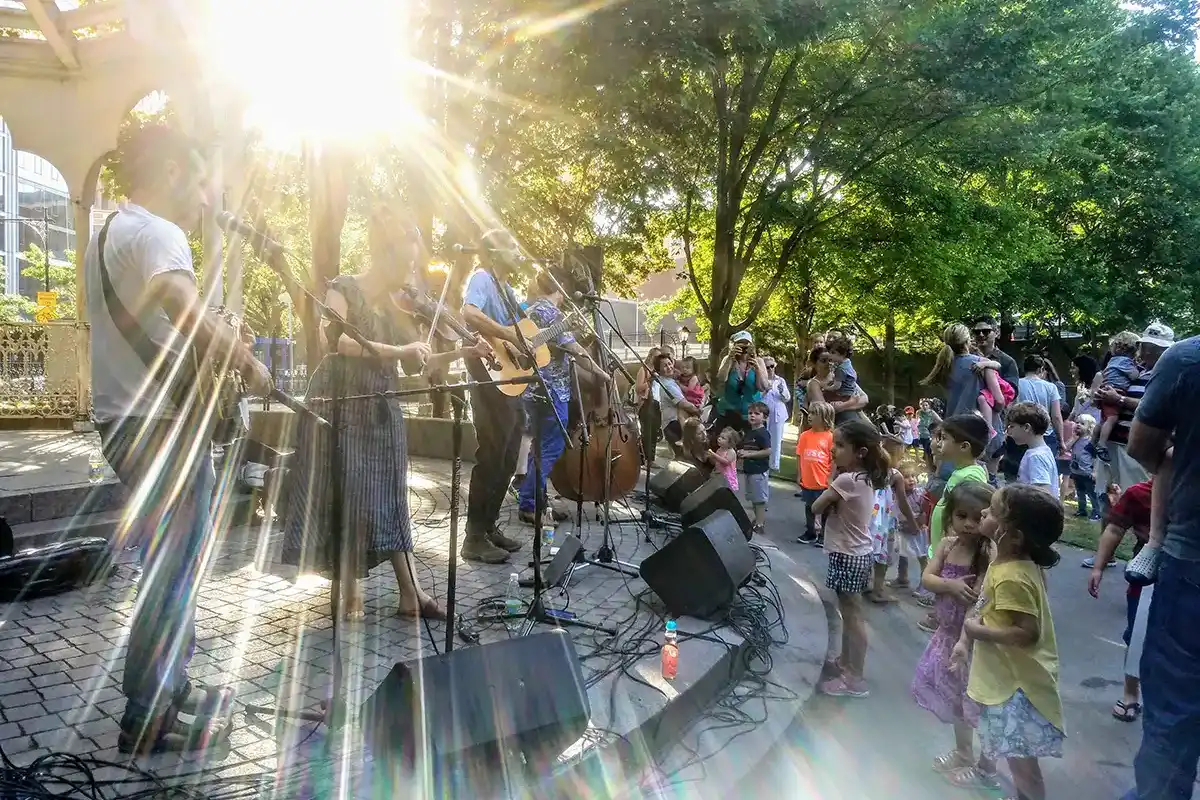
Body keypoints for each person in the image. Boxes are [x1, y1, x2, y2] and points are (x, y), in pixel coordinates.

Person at [88, 126, 275, 754]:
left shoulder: (109, 234)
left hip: (120, 420)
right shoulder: (160, 234)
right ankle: (146, 713)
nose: (205, 200)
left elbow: (155, 327)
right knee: (173, 569)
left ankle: (170, 685)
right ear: (169, 170)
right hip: (158, 427)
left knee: (172, 562)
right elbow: (187, 315)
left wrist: (222, 341)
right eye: (199, 183)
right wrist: (250, 365)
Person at [284, 212, 496, 611]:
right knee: (346, 492)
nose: (412, 273)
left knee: (392, 497)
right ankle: (348, 589)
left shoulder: (398, 308)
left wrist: (465, 350)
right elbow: (337, 341)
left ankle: (410, 593)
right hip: (341, 403)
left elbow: (424, 363)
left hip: (381, 406)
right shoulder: (343, 288)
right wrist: (400, 351)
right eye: (406, 262)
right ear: (384, 254)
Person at [1122, 331, 1199, 800]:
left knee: (1175, 707)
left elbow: (1142, 445)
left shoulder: (1188, 359)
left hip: (1192, 559)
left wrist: (1173, 461)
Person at [953, 485, 1065, 800]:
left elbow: (1027, 632)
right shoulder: (1004, 564)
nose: (984, 513)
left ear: (1012, 535)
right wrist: (966, 639)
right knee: (1015, 757)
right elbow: (986, 606)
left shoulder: (1013, 576)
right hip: (1008, 680)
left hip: (1019, 687)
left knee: (1022, 764)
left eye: (992, 511)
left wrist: (977, 632)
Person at [913, 482, 997, 790]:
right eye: (962, 516)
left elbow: (983, 602)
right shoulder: (948, 546)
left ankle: (987, 765)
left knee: (980, 705)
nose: (969, 524)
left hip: (973, 643)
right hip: (947, 637)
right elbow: (927, 578)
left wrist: (966, 638)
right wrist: (949, 586)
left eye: (977, 518)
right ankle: (963, 752)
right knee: (957, 701)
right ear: (951, 516)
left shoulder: (988, 554)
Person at [460, 230, 533, 563]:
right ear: (494, 251)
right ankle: (473, 537)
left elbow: (524, 330)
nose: (518, 252)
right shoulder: (482, 277)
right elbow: (470, 313)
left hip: (509, 379)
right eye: (513, 247)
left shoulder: (507, 290)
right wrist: (506, 334)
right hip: (486, 375)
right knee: (492, 452)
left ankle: (488, 526)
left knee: (508, 454)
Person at [516, 271, 608, 526]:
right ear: (561, 288)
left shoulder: (530, 310)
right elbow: (575, 350)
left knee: (538, 448)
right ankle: (529, 503)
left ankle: (539, 501)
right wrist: (601, 373)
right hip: (552, 391)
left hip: (530, 390)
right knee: (552, 448)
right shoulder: (551, 313)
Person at [813, 419, 892, 698]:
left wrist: (833, 480)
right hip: (855, 552)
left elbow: (816, 505)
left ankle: (854, 677)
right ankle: (846, 663)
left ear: (860, 452)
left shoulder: (848, 479)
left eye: (840, 445)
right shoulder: (864, 477)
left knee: (853, 616)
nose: (833, 449)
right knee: (848, 614)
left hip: (849, 555)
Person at [1088, 480, 1155, 724]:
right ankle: (1130, 694)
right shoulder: (1139, 494)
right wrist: (1098, 567)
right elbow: (1115, 529)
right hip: (1148, 574)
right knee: (1137, 635)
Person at [1092, 323, 1173, 522]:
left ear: (1166, 351)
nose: (1147, 351)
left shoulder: (1168, 376)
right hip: (1113, 443)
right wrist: (1101, 396)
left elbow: (1158, 409)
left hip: (1137, 448)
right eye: (1145, 346)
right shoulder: (1135, 370)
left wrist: (1119, 400)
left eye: (1154, 348)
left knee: (1138, 504)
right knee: (1107, 498)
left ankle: (1140, 548)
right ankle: (1105, 552)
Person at [928, 415, 991, 557]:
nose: (939, 443)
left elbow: (967, 519)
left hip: (950, 556)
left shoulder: (970, 476)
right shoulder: (961, 471)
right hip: (942, 551)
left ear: (964, 446)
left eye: (944, 438)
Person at [921, 323, 1006, 419]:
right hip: (979, 425)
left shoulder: (944, 366)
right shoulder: (983, 363)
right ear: (967, 340)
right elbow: (999, 401)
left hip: (954, 424)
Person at [865, 461, 920, 604]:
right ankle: (878, 590)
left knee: (868, 549)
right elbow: (903, 502)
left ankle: (864, 584)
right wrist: (913, 523)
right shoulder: (895, 475)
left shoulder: (868, 468)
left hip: (869, 516)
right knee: (883, 554)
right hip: (885, 520)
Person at [1091, 332, 1142, 461]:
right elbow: (1134, 375)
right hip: (1116, 390)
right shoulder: (1126, 362)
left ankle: (1092, 443)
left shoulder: (1112, 360)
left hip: (1107, 389)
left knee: (1103, 419)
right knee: (1112, 418)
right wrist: (1136, 369)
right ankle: (1101, 444)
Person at [711, 331, 767, 441]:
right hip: (729, 411)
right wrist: (730, 359)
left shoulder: (759, 361)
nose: (743, 349)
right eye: (740, 344)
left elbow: (763, 387)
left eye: (746, 345)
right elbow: (721, 379)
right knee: (725, 446)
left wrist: (756, 367)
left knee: (749, 447)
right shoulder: (728, 359)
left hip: (751, 414)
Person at [796, 401, 834, 544]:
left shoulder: (830, 437)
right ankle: (810, 532)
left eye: (814, 413)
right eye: (810, 413)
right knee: (809, 506)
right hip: (808, 479)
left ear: (824, 417)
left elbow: (834, 459)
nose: (810, 416)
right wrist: (799, 474)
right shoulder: (805, 435)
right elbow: (799, 455)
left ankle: (824, 535)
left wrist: (831, 477)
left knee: (824, 509)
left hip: (823, 481)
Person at [653, 351, 701, 460]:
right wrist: (698, 411)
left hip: (672, 423)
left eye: (669, 363)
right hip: (674, 424)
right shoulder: (667, 385)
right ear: (658, 370)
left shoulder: (670, 380)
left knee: (683, 457)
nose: (669, 367)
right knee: (685, 457)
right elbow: (684, 404)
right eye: (664, 366)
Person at [1005, 402, 1059, 497]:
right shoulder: (1043, 451)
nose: (1008, 431)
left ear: (1026, 427)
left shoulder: (1036, 457)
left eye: (1012, 426)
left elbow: (1042, 494)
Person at [890, 465, 930, 593]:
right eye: (906, 477)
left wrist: (920, 525)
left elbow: (924, 511)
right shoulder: (896, 494)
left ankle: (925, 584)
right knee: (903, 554)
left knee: (922, 557)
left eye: (913, 476)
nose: (911, 480)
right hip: (903, 529)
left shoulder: (919, 494)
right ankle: (902, 577)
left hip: (917, 530)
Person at [1016, 355, 1066, 456]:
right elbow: (1056, 416)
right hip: (1045, 435)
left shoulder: (1016, 384)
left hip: (1021, 434)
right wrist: (1061, 441)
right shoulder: (1051, 387)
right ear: (1041, 369)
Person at [739, 401, 772, 536]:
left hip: (759, 471)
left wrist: (750, 454)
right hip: (749, 470)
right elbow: (747, 448)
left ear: (764, 418)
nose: (752, 416)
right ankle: (756, 520)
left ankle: (760, 524)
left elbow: (768, 451)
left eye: (757, 414)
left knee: (759, 499)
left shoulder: (763, 433)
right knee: (753, 498)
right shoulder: (750, 432)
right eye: (750, 413)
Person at [1067, 414, 1100, 519]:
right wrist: (1073, 437)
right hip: (1076, 472)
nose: (1078, 425)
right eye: (1077, 422)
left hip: (1087, 472)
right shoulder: (1076, 439)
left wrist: (1095, 471)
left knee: (1091, 493)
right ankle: (1082, 510)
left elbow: (1096, 457)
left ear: (1089, 427)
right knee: (1080, 492)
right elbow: (1066, 448)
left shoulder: (1090, 442)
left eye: (1082, 423)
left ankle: (1096, 511)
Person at [971, 316, 1021, 386]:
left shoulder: (1007, 361)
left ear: (997, 333)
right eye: (977, 332)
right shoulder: (968, 357)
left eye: (985, 331)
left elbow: (1011, 392)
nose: (981, 335)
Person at [636, 346, 664, 467]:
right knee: (647, 431)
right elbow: (638, 388)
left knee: (654, 431)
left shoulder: (658, 371)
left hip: (657, 403)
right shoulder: (644, 370)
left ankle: (651, 458)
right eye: (656, 356)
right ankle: (645, 459)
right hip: (646, 403)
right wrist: (650, 380)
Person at [761, 357, 790, 472]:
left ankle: (774, 464)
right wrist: (765, 390)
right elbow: (757, 398)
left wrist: (782, 390)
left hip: (778, 413)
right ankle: (763, 461)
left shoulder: (780, 380)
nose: (770, 369)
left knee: (776, 439)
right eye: (767, 367)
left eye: (772, 366)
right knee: (763, 438)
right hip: (763, 413)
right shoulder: (760, 380)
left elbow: (787, 398)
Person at [917, 399, 942, 469]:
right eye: (923, 405)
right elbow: (917, 421)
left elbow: (939, 420)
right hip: (919, 432)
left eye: (926, 405)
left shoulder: (932, 412)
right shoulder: (918, 412)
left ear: (929, 406)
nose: (924, 407)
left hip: (927, 432)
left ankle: (929, 464)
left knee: (927, 448)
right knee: (919, 447)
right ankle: (925, 462)